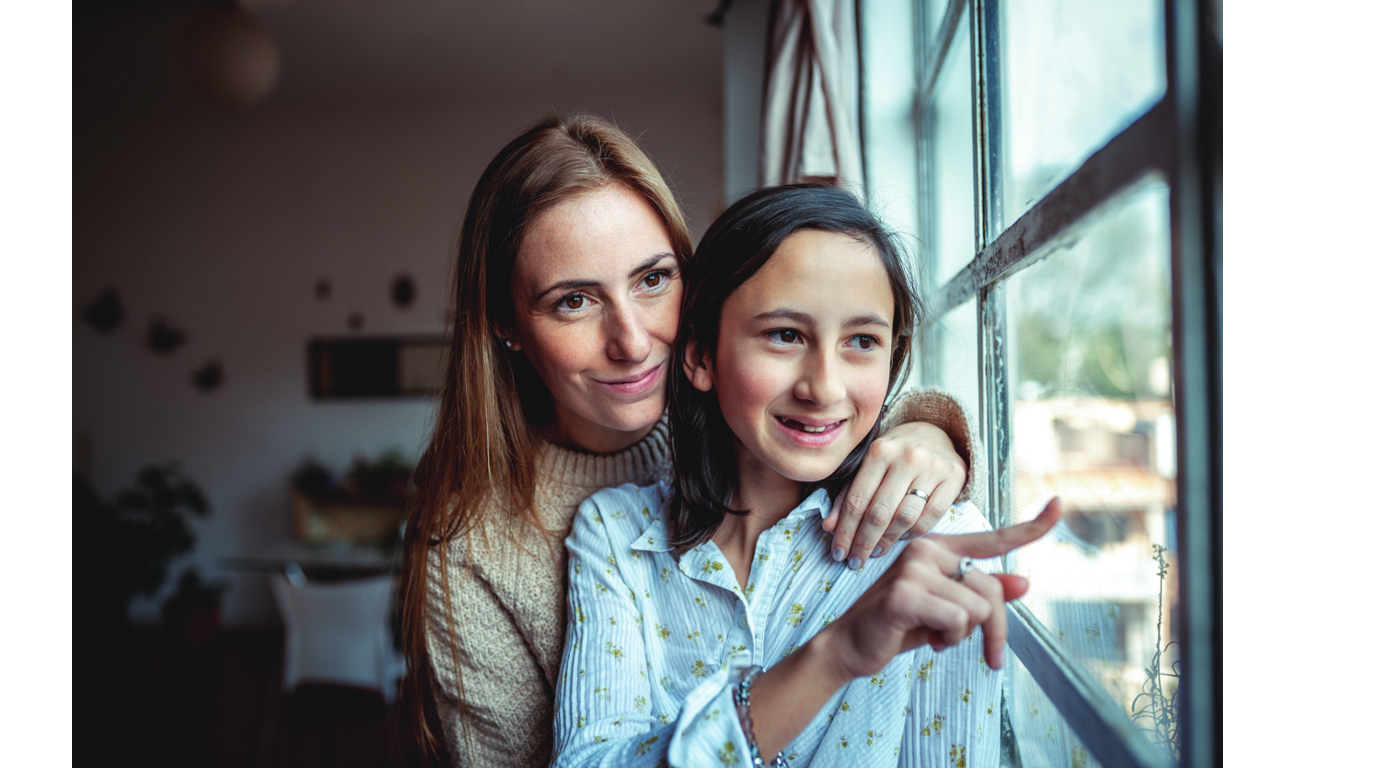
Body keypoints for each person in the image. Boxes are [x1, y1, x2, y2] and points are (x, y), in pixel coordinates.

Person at [399, 116, 981, 768]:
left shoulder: (746, 415)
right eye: (573, 302)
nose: (634, 341)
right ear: (505, 321)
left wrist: (929, 430)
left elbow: (824, 388)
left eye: (653, 280)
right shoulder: (489, 548)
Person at [553, 184, 1062, 766]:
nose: (823, 387)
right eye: (785, 335)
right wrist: (833, 655)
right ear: (700, 355)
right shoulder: (616, 535)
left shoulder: (937, 545)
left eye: (861, 342)